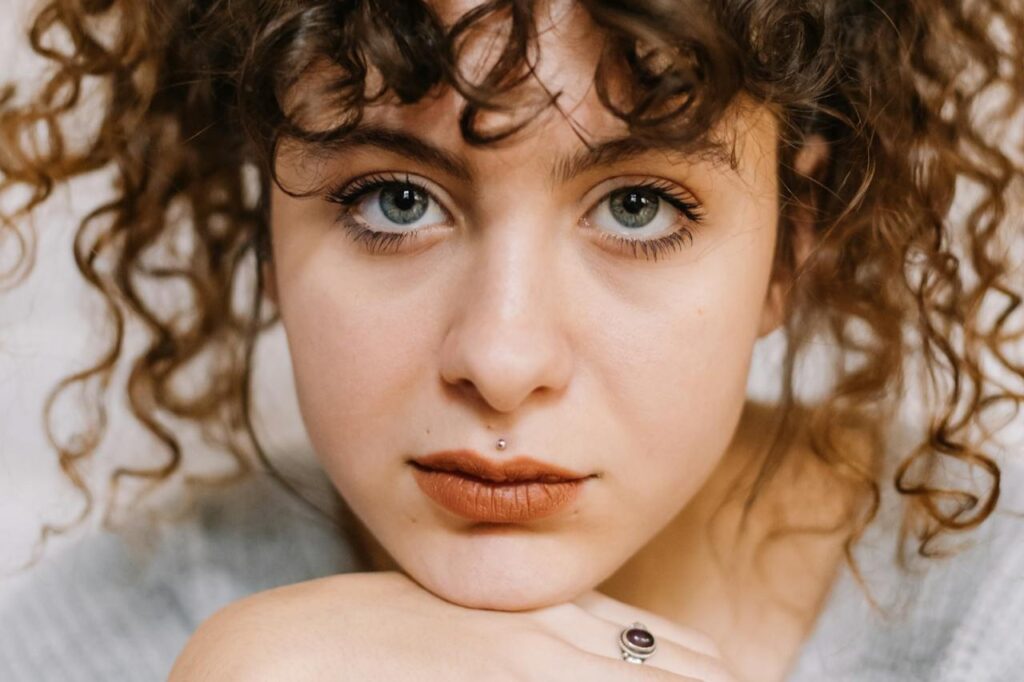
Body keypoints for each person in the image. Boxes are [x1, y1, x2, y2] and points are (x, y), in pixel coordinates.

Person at [1, 0, 1023, 680]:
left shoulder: (990, 621)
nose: (499, 360)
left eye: (636, 207)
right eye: (395, 200)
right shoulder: (89, 645)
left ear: (788, 250)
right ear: (264, 224)